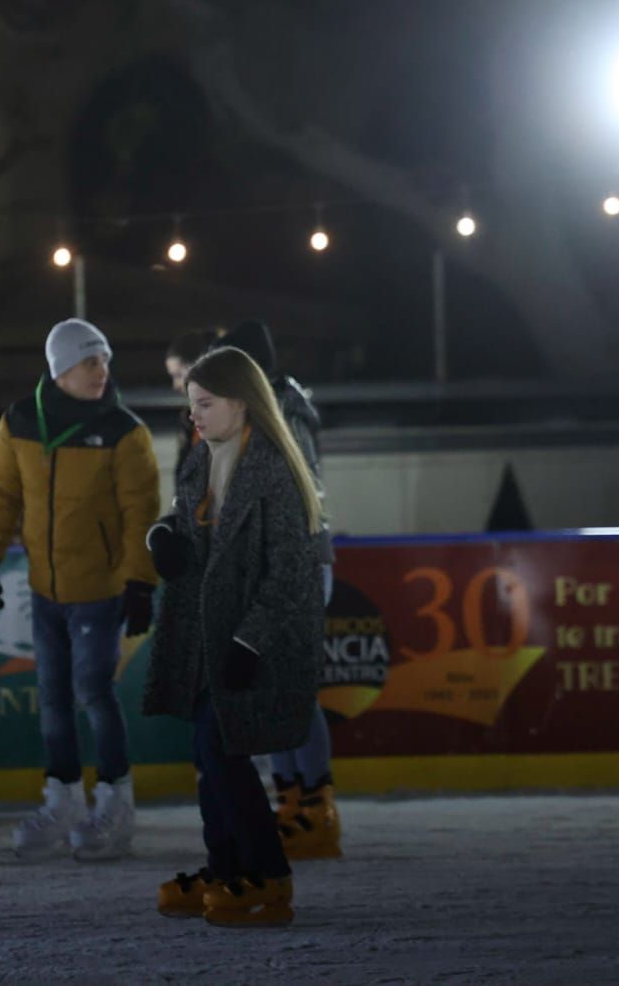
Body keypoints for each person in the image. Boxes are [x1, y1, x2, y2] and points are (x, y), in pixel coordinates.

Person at [144, 346, 324, 927]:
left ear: (241, 403)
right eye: (191, 403)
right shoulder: (201, 459)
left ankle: (267, 875)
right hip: (204, 640)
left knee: (221, 751)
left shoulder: (274, 470)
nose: (193, 414)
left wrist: (250, 643)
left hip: (253, 644)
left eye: (205, 403)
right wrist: (162, 538)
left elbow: (291, 573)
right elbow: (181, 520)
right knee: (209, 752)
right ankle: (226, 867)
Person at [0, 319, 161, 861]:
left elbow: (140, 512)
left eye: (104, 360)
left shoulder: (124, 431)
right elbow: (5, 494)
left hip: (100, 590)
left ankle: (116, 801)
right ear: (60, 370)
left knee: (93, 694)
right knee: (52, 700)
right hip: (46, 590)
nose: (102, 371)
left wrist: (141, 583)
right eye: (88, 362)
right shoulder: (21, 421)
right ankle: (63, 799)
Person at [214, 319, 340, 858]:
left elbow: (293, 498)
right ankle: (292, 801)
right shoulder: (260, 413)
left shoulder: (282, 417)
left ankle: (315, 806)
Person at [166, 328, 222, 475]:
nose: (175, 385)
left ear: (197, 368)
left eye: (178, 375)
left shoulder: (223, 417)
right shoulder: (188, 418)